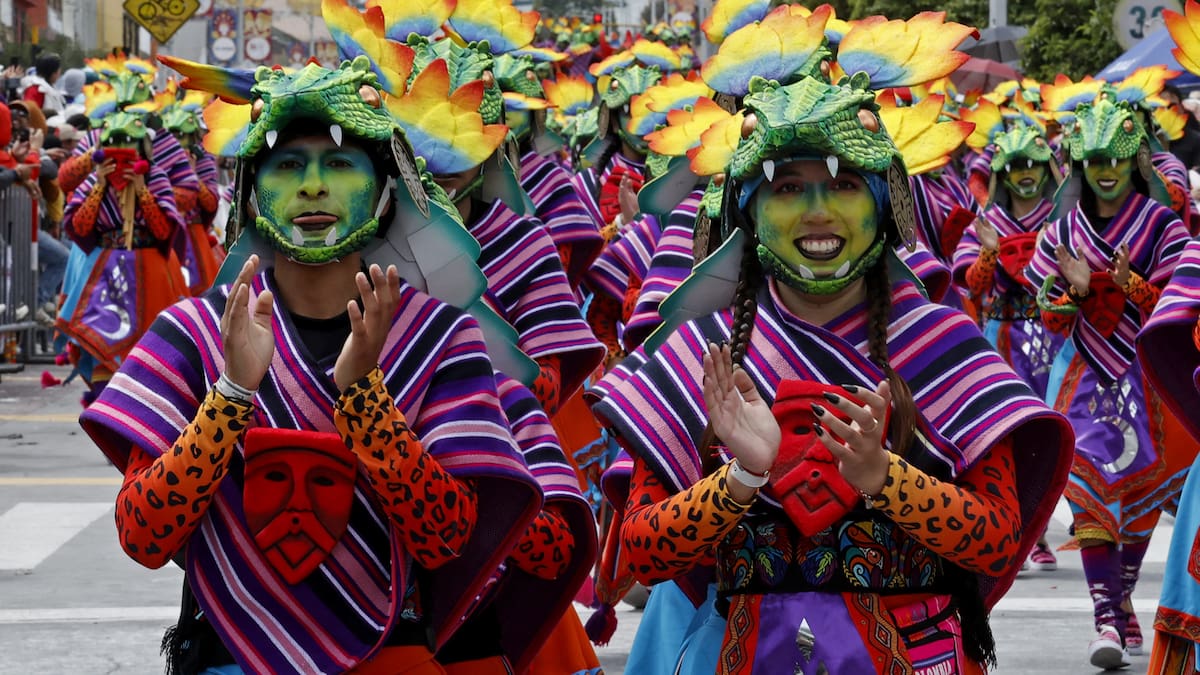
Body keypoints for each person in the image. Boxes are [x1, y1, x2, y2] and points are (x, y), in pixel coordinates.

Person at [590, 35, 1074, 674]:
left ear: (883, 206)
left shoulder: (942, 346)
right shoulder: (699, 357)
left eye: (844, 183)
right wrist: (740, 480)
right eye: (787, 187)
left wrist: (886, 479)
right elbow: (643, 555)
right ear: (749, 212)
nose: (818, 212)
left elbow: (994, 539)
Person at [79, 56, 542, 674]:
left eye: (342, 164)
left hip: (390, 655)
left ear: (385, 192)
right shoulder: (192, 333)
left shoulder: (441, 337)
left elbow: (444, 537)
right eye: (288, 165)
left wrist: (364, 399)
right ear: (249, 191)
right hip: (229, 657)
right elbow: (143, 533)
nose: (314, 187)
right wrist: (230, 393)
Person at [1025, 93, 1195, 668]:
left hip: (1149, 377)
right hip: (1081, 379)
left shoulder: (1162, 225)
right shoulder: (1062, 231)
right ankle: (1105, 617)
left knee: (1143, 503)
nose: (1103, 169)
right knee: (1090, 497)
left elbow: (1180, 308)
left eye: (1113, 158)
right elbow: (1047, 320)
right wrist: (1074, 292)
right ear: (1078, 163)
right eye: (1092, 159)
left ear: (1133, 160)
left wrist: (1130, 285)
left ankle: (1121, 601)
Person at [954, 118, 1066, 571]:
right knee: (1010, 436)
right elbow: (973, 287)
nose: (1025, 172)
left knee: (1055, 434)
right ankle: (1027, 531)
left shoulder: (1063, 223)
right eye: (1016, 164)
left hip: (1056, 339)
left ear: (1046, 169)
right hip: (1001, 338)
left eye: (1033, 164)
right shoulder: (987, 223)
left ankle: (1048, 523)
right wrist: (989, 253)